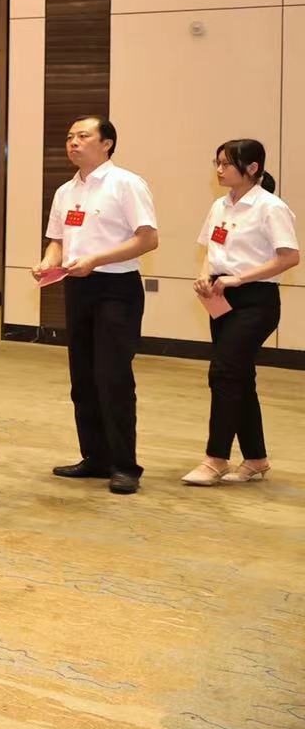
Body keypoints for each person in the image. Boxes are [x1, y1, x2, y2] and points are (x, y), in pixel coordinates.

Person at [34, 115, 159, 494]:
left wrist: (97, 260)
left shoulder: (126, 183)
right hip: (77, 287)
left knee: (113, 377)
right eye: (69, 136)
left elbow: (148, 239)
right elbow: (57, 240)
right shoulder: (65, 191)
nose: (73, 142)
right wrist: (48, 262)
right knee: (83, 377)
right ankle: (95, 457)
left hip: (116, 289)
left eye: (83, 136)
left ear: (106, 143)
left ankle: (125, 466)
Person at [184, 139, 295, 486]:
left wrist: (240, 278)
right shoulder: (220, 205)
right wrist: (205, 275)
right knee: (239, 377)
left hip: (255, 301)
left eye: (226, 164)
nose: (219, 170)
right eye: (216, 163)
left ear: (252, 168)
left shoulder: (270, 207)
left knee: (223, 373)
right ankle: (256, 458)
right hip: (221, 297)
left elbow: (289, 257)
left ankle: (215, 459)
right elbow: (211, 249)